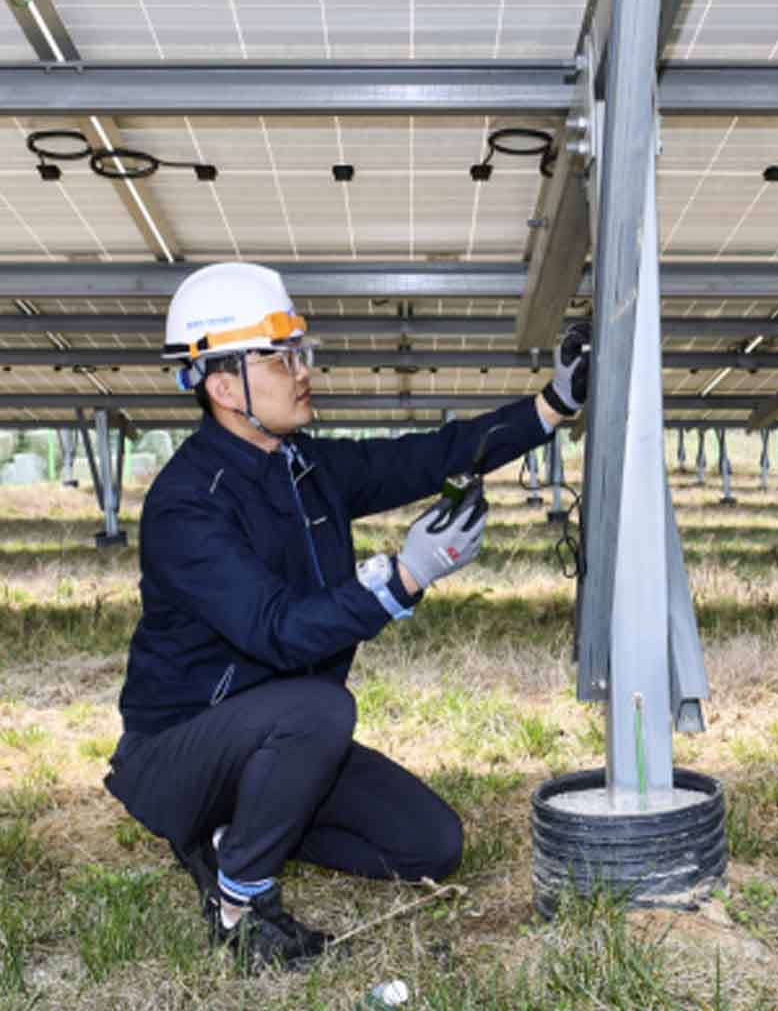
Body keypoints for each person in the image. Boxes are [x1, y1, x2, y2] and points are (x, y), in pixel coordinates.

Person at [102, 262, 591, 969]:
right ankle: (240, 904)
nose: (303, 372)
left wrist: (551, 406)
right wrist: (404, 578)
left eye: (300, 353)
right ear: (223, 387)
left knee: (430, 846)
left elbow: (427, 456)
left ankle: (236, 833)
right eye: (280, 358)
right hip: (181, 754)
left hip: (281, 737)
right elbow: (278, 631)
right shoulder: (188, 504)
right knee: (320, 708)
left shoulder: (302, 466)